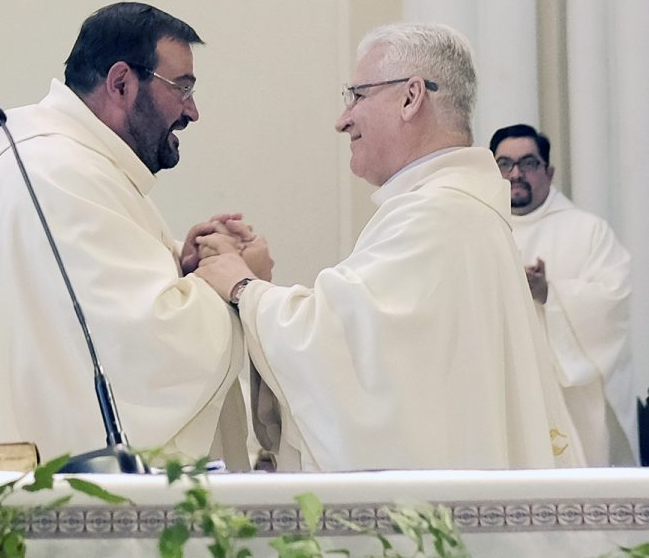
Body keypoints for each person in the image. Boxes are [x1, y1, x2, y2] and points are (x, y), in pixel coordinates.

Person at [195, 23, 585, 472]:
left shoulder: (437, 215)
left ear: (410, 97)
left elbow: (347, 364)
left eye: (357, 96)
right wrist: (256, 284)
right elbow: (367, 350)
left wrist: (239, 285)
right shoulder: (454, 210)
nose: (343, 119)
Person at [0, 2, 271, 470]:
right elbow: (145, 353)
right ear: (121, 82)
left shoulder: (78, 167)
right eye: (181, 88)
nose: (192, 111)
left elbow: (104, 319)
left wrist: (182, 270)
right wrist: (241, 286)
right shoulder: (60, 173)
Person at [490, 123, 636, 466]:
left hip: (573, 402)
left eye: (528, 163)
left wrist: (550, 293)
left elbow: (612, 303)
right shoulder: (480, 233)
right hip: (503, 392)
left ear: (549, 171)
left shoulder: (588, 231)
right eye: (504, 164)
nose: (516, 174)